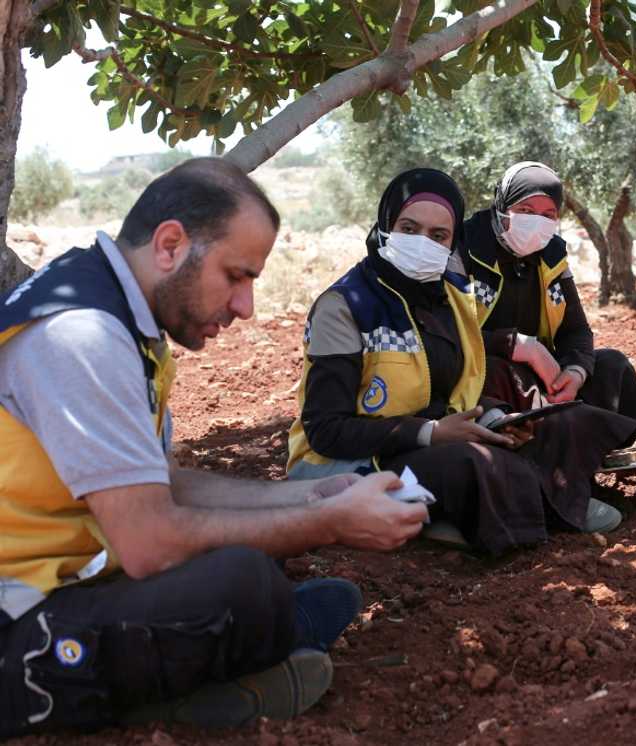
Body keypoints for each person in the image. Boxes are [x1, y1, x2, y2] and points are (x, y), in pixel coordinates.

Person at [0, 159, 430, 738]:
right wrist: (330, 522)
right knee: (242, 582)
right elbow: (150, 543)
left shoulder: (118, 318)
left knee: (250, 563)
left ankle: (239, 651)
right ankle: (173, 698)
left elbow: (161, 482)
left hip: (62, 581)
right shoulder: (83, 336)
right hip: (15, 625)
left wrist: (309, 498)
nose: (246, 306)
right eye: (236, 275)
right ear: (171, 245)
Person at [287, 168, 636, 554]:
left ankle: (505, 506)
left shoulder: (451, 297)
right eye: (408, 227)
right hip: (352, 460)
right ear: (385, 225)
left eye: (439, 236)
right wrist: (431, 433)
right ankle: (547, 511)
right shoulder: (345, 306)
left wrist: (492, 419)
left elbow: (459, 389)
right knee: (468, 463)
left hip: (426, 438)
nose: (423, 242)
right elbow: (326, 431)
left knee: (550, 425)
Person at [462, 161, 636, 437]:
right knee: (498, 373)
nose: (535, 223)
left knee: (613, 364)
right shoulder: (466, 246)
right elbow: (447, 333)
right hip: (485, 374)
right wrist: (519, 346)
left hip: (545, 374)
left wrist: (575, 372)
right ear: (502, 206)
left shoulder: (552, 255)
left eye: (547, 214)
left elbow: (576, 329)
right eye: (525, 211)